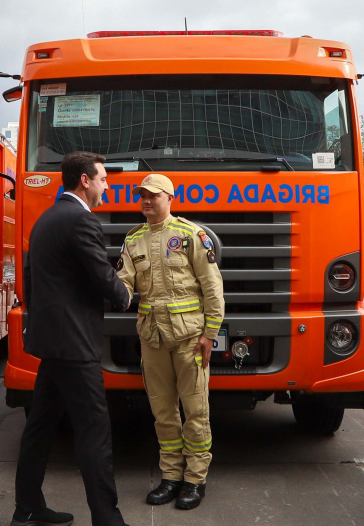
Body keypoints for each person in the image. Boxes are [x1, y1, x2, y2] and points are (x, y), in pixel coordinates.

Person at [11, 152, 131, 526]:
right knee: (94, 432)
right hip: (75, 345)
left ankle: (27, 509)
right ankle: (107, 519)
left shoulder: (47, 218)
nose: (106, 187)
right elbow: (100, 273)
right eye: (103, 180)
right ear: (85, 180)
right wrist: (128, 297)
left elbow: (32, 280)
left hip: (52, 341)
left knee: (40, 428)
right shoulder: (81, 219)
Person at [116, 173, 224, 510]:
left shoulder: (191, 235)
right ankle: (171, 477)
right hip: (153, 338)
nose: (146, 201)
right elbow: (124, 285)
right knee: (163, 412)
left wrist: (210, 335)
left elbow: (212, 287)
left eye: (153, 195)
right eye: (142, 196)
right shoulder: (133, 240)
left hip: (190, 338)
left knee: (195, 410)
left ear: (170, 198)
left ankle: (195, 479)